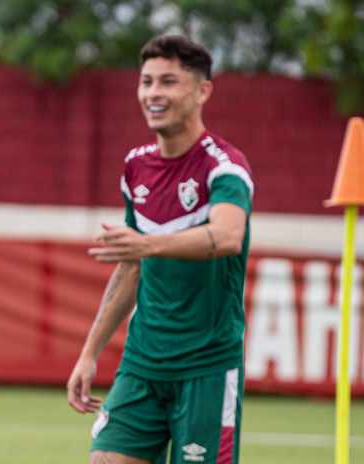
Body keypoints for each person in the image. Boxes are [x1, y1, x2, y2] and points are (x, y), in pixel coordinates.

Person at [67, 35, 253, 464]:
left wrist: (146, 244)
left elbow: (227, 237)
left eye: (168, 82)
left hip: (206, 366)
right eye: (147, 82)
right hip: (142, 364)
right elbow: (131, 268)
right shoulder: (136, 166)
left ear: (202, 90)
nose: (153, 93)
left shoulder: (224, 166)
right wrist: (89, 353)